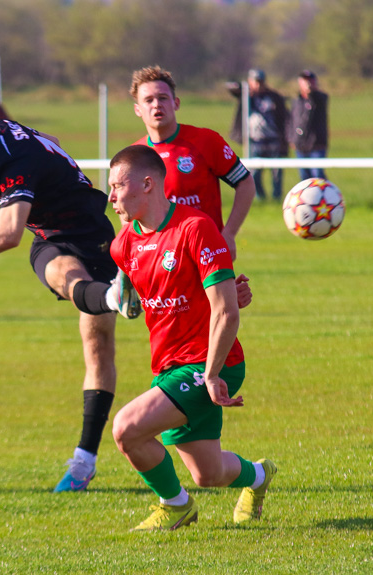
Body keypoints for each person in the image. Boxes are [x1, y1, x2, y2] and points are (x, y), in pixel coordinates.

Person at [0, 106, 143, 493]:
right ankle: (114, 297)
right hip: (60, 235)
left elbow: (8, 234)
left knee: (96, 340)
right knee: (78, 301)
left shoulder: (12, 164)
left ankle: (85, 457)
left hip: (90, 236)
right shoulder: (1, 129)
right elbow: (50, 142)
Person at [107, 145, 274, 531]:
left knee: (127, 428)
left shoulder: (195, 228)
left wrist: (213, 374)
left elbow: (225, 311)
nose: (111, 196)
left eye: (118, 185)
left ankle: (175, 506)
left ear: (147, 184)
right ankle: (260, 476)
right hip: (169, 367)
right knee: (209, 473)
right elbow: (142, 299)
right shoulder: (123, 245)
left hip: (213, 363)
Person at [131, 65, 256, 262]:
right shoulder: (135, 156)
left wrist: (229, 234)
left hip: (207, 251)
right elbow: (128, 210)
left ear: (176, 103)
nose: (156, 105)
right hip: (160, 258)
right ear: (138, 109)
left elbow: (245, 183)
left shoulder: (206, 141)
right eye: (148, 100)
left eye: (163, 98)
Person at [226, 68, 289, 201]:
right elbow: (231, 88)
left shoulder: (274, 97)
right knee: (254, 173)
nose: (259, 85)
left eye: (261, 82)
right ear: (250, 82)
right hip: (255, 140)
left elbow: (284, 117)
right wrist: (242, 88)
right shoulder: (246, 96)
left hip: (273, 139)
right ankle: (260, 198)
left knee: (276, 172)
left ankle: (276, 198)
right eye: (256, 82)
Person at [290, 70, 329, 181]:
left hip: (316, 144)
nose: (308, 84)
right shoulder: (297, 100)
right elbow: (291, 120)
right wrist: (292, 138)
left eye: (310, 81)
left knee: (318, 176)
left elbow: (318, 101)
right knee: (305, 178)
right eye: (305, 81)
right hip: (300, 144)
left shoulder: (320, 98)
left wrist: (311, 92)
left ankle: (326, 197)